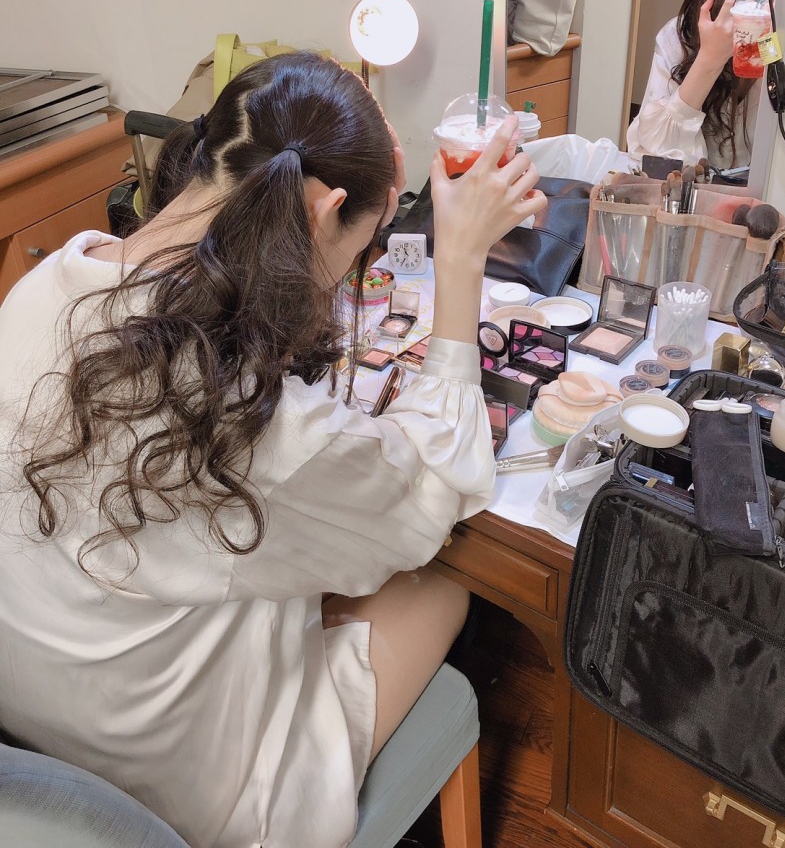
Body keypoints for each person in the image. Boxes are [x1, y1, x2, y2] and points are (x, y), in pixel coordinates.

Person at [0, 52, 545, 848]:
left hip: (39, 744)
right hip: (189, 802)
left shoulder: (49, 280)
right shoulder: (238, 421)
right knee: (443, 583)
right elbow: (433, 484)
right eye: (358, 251)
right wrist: (460, 259)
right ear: (324, 212)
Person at [626, 0, 769, 171]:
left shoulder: (783, 46)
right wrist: (709, 60)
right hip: (694, 186)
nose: (736, 38)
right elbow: (654, 156)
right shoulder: (678, 37)